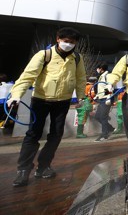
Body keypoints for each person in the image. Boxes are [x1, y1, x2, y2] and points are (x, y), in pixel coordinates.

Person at [8, 27, 86, 187]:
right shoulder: (44, 55)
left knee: (56, 134)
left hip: (63, 102)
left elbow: (80, 78)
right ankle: (23, 170)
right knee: (33, 134)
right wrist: (16, 94)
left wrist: (80, 96)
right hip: (41, 100)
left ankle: (44, 166)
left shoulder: (77, 58)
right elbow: (27, 76)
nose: (68, 44)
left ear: (76, 43)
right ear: (58, 39)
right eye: (65, 41)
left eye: (72, 42)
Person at [94, 64, 115, 142]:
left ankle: (104, 135)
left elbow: (109, 87)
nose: (97, 70)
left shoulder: (107, 76)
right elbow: (101, 89)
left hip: (106, 100)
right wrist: (97, 96)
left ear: (101, 68)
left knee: (103, 117)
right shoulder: (101, 77)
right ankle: (110, 129)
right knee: (97, 116)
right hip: (101, 99)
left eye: (98, 68)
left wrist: (108, 97)